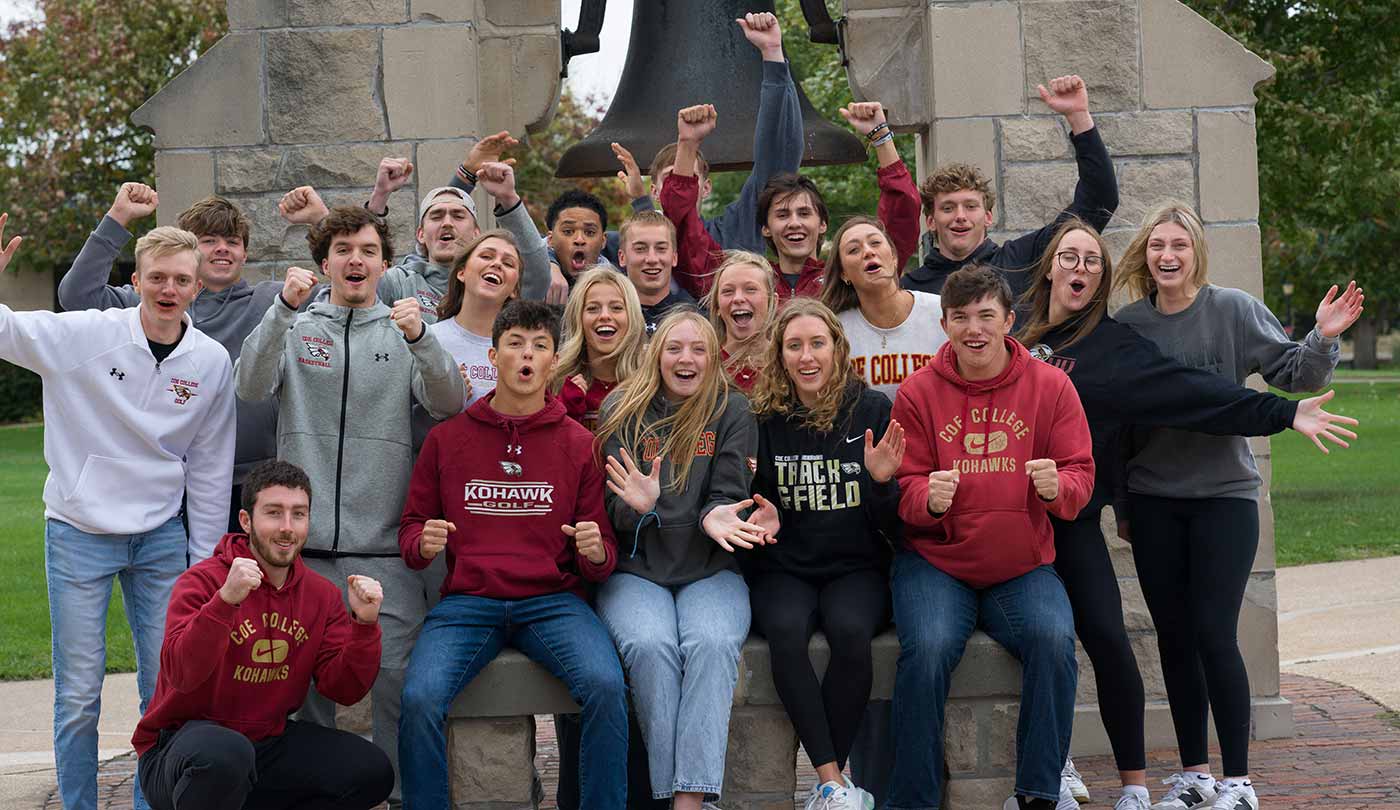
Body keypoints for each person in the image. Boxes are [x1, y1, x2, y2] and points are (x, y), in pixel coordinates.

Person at [1014, 218, 1361, 810]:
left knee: (1192, 634)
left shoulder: (1127, 340)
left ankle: (1229, 781)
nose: (1080, 268)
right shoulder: (1019, 330)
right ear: (1049, 266)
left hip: (1196, 500)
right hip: (1113, 507)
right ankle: (1189, 775)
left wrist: (1289, 405)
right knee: (1149, 640)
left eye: (1091, 260)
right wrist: (1124, 504)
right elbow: (1123, 437)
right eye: (1068, 257)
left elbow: (1194, 392)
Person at [0, 213, 236, 810]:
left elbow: (209, 468)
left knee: (165, 688)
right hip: (79, 533)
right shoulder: (85, 334)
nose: (169, 290)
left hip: (161, 536)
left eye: (182, 281)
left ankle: (147, 802)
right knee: (79, 693)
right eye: (157, 277)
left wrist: (203, 563)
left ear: (197, 287)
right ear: (136, 279)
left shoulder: (210, 362)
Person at [236, 205, 465, 805]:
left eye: (366, 249)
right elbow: (250, 386)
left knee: (395, 686)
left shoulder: (404, 328)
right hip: (301, 555)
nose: (355, 259)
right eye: (342, 249)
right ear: (324, 262)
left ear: (384, 263)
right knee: (304, 695)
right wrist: (282, 310)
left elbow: (448, 402)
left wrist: (421, 338)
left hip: (384, 552)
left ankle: (396, 796)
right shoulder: (297, 325)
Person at [398, 300, 628, 809]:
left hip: (553, 601)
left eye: (540, 346)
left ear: (553, 361)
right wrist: (422, 544)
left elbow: (603, 553)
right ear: (494, 354)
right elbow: (412, 531)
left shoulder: (579, 443)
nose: (527, 355)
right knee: (419, 700)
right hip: (468, 603)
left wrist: (593, 551)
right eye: (515, 344)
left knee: (607, 687)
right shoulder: (446, 439)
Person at [888, 265, 1095, 810]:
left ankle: (1037, 794)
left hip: (1020, 565)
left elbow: (1081, 475)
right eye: (960, 318)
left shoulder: (1051, 387)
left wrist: (1058, 488)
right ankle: (914, 799)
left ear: (1008, 320)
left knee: (1054, 642)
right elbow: (902, 488)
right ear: (945, 324)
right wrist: (925, 500)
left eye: (986, 316)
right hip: (935, 564)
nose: (973, 329)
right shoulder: (916, 392)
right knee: (927, 649)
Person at [133, 460, 394, 810]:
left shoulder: (321, 595)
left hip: (265, 745)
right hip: (181, 749)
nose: (287, 528)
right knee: (226, 755)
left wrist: (363, 625)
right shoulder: (203, 582)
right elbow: (181, 673)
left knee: (371, 771)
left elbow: (343, 690)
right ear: (246, 521)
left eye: (298, 515)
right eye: (274, 513)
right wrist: (225, 602)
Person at [594, 311, 765, 809]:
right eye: (674, 348)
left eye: (698, 350)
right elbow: (613, 509)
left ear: (713, 359)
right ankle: (676, 794)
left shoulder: (733, 410)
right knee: (650, 646)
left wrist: (714, 515)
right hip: (637, 568)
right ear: (655, 354)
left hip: (710, 567)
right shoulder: (621, 409)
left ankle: (689, 801)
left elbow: (730, 490)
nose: (685, 359)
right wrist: (641, 509)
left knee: (711, 643)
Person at [744, 298, 905, 810]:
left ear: (837, 348)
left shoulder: (873, 409)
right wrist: (756, 512)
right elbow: (748, 500)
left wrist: (881, 484)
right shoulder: (764, 418)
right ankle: (834, 781)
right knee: (787, 634)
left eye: (817, 343)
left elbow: (892, 521)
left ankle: (829, 787)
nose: (806, 356)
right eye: (794, 346)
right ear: (780, 354)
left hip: (856, 565)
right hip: (784, 565)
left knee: (851, 634)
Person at [56, 184, 278, 532]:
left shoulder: (274, 301)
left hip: (255, 481)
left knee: (258, 585)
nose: (222, 248)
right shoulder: (144, 305)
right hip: (169, 481)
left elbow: (352, 288)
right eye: (209, 240)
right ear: (188, 249)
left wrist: (318, 219)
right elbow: (76, 294)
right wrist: (118, 218)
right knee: (189, 585)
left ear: (245, 254)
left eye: (232, 241)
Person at [663, 101, 921, 301]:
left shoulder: (847, 280)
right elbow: (683, 232)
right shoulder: (745, 284)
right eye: (782, 215)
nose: (794, 223)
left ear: (822, 224)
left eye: (804, 213)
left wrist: (881, 137)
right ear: (765, 228)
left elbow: (901, 222)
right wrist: (687, 145)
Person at [902, 75, 1119, 299]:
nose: (960, 216)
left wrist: (1078, 116)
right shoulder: (910, 292)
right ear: (930, 222)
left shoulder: (1024, 261)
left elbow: (1099, 202)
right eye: (947, 208)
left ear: (988, 216)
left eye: (970, 206)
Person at [821, 215, 948, 402]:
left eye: (875, 243)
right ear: (843, 273)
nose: (868, 252)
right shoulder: (833, 328)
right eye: (854, 250)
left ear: (894, 258)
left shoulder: (941, 310)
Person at [430, 229, 527, 408]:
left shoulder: (525, 351)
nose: (497, 264)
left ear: (514, 289)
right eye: (486, 256)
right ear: (461, 273)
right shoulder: (430, 339)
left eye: (508, 263)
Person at [556, 266, 647, 431]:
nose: (605, 315)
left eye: (617, 308)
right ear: (579, 319)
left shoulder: (649, 383)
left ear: (632, 318)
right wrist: (565, 410)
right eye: (592, 308)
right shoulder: (557, 382)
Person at [703, 250, 777, 392]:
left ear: (772, 302)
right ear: (717, 306)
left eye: (750, 289)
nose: (738, 298)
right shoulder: (703, 362)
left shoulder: (787, 363)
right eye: (728, 291)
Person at [620, 210, 699, 333]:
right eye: (640, 249)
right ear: (622, 257)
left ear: (674, 258)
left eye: (661, 248)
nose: (652, 259)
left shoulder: (697, 318)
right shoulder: (609, 316)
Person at [548, 189, 615, 289]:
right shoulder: (532, 276)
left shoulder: (617, 288)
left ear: (603, 241)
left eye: (589, 232)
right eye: (568, 231)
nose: (579, 240)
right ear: (550, 240)